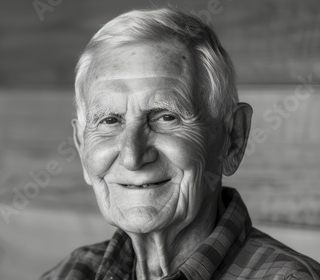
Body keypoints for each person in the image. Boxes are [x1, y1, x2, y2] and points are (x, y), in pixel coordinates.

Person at [41, 7, 320, 280]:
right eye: (110, 120)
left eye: (165, 117)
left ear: (233, 138)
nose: (132, 156)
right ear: (81, 146)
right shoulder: (71, 272)